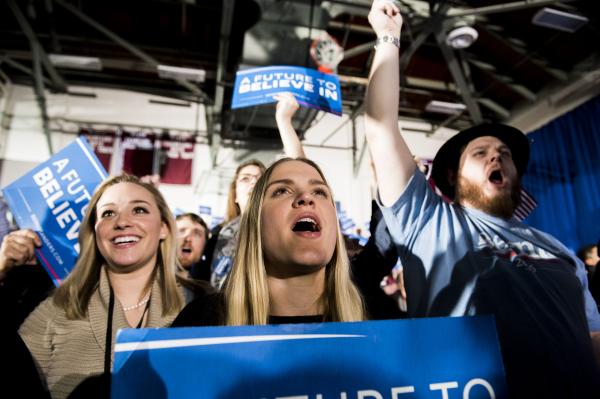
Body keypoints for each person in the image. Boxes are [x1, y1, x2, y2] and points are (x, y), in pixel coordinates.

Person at [363, 1, 600, 397]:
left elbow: (593, 337)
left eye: (504, 154)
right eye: (481, 152)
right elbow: (380, 126)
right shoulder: (427, 220)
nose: (497, 155)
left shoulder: (559, 250)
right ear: (453, 178)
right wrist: (388, 38)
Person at [15, 174, 196, 399]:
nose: (122, 222)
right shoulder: (57, 307)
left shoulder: (199, 304)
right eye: (108, 213)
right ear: (94, 232)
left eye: (139, 210)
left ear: (164, 228)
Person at [173, 158, 365, 326]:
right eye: (282, 190)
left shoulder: (378, 316)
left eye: (319, 192)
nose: (306, 197)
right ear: (255, 223)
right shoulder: (201, 322)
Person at [192, 93, 306, 289]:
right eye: (245, 178)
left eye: (260, 178)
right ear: (235, 194)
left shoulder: (284, 223)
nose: (253, 182)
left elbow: (301, 174)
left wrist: (284, 120)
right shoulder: (219, 234)